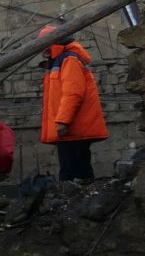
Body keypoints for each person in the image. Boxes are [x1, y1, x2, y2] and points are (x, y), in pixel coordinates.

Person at [38, 24, 108, 180]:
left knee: (72, 173)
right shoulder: (61, 60)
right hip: (72, 130)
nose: (42, 50)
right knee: (75, 170)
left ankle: (81, 203)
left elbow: (73, 93)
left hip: (73, 129)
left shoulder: (68, 59)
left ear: (54, 43)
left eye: (43, 45)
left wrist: (63, 121)